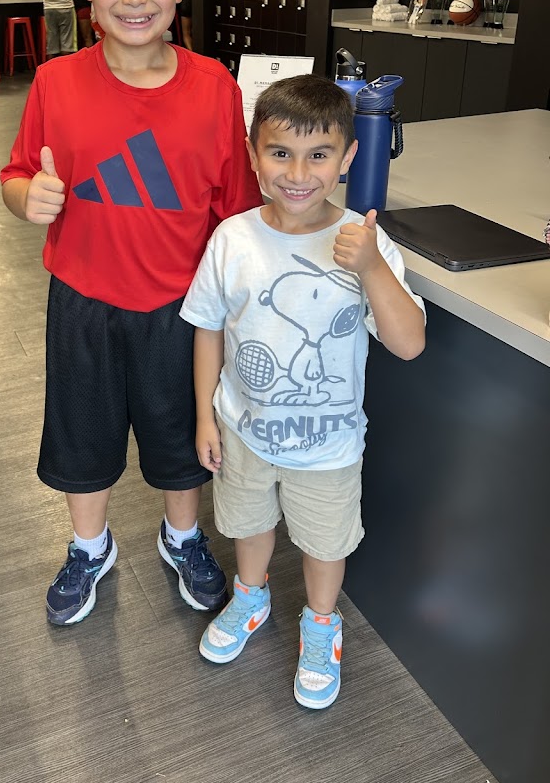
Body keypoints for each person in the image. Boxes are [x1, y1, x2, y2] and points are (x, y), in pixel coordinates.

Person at [0, 0, 261, 628]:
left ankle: (183, 535)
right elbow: (16, 175)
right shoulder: (55, 82)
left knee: (181, 431)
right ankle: (90, 546)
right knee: (81, 431)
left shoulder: (214, 88)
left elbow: (236, 211)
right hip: (82, 298)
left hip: (183, 305)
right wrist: (27, 198)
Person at [180, 74, 425, 709]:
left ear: (348, 157)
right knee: (248, 525)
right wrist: (206, 417)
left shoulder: (367, 243)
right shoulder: (232, 238)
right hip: (244, 431)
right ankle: (251, 597)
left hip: (330, 445)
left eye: (319, 155)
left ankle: (321, 624)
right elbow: (207, 328)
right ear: (252, 153)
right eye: (280, 153)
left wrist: (371, 267)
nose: (297, 173)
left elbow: (408, 344)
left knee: (324, 543)